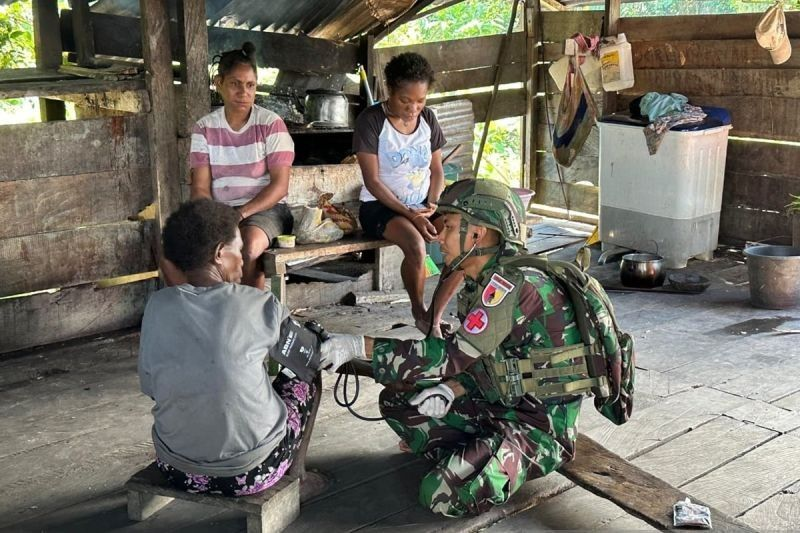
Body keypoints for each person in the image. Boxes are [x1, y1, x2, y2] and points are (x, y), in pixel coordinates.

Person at [324, 179, 588, 517]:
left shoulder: (513, 287)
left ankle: (497, 461)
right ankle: (478, 453)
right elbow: (487, 360)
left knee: (439, 496)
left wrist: (358, 345)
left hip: (535, 428)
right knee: (397, 400)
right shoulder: (479, 281)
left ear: (477, 234)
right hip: (496, 402)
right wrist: (452, 388)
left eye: (447, 226)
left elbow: (449, 357)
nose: (437, 236)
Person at [139, 199, 364, 498]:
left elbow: (153, 387)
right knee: (305, 376)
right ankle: (298, 478)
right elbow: (310, 357)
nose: (243, 259)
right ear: (220, 254)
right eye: (237, 249)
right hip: (250, 473)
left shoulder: (157, 306)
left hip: (176, 469)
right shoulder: (258, 304)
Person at [167, 41, 294, 289]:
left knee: (247, 247)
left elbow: (280, 186)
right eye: (235, 84)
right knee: (178, 249)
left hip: (266, 211)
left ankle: (249, 314)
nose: (243, 92)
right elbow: (200, 189)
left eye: (250, 85)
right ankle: (213, 311)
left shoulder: (270, 124)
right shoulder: (205, 128)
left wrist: (239, 215)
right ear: (219, 83)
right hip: (220, 212)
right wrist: (216, 220)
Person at [353, 52, 462, 337]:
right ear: (390, 91)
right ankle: (419, 311)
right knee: (416, 244)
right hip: (380, 206)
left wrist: (433, 203)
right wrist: (411, 214)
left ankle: (436, 315)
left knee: (462, 241)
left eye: (420, 100)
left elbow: (437, 170)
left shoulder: (428, 119)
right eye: (405, 100)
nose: (414, 108)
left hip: (423, 205)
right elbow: (373, 181)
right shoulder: (372, 120)